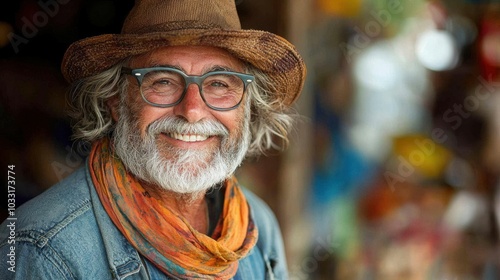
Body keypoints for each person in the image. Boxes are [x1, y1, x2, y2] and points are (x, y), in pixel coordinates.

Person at [0, 0, 306, 279]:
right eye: (163, 81)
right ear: (116, 101)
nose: (193, 111)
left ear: (247, 107)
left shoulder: (257, 229)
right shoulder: (43, 252)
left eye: (219, 83)